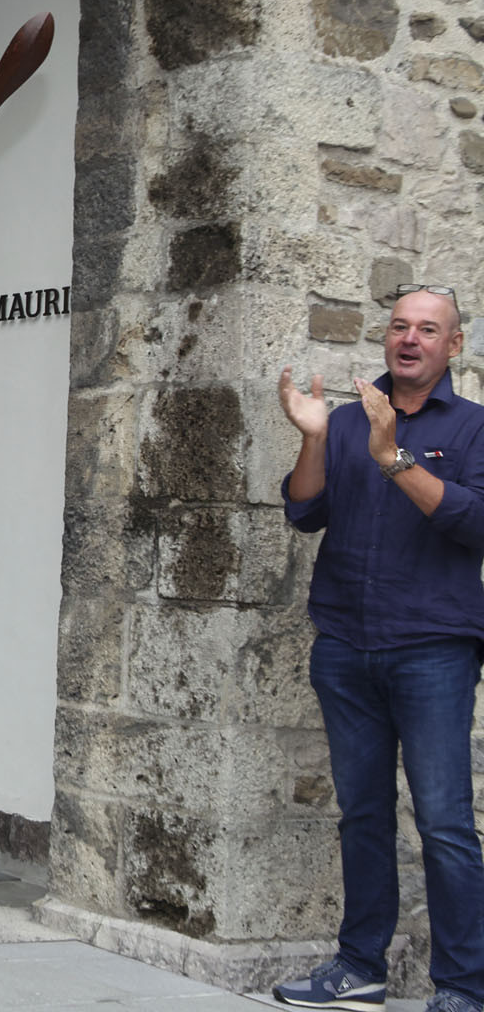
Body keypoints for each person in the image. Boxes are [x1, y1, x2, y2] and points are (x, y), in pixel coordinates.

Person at [271, 284, 484, 1012]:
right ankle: (359, 967)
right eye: (400, 326)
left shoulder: (474, 430)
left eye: (429, 329)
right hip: (346, 648)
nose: (410, 339)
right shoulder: (347, 419)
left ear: (453, 346)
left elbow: (473, 523)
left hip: (434, 651)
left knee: (445, 824)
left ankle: (461, 986)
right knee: (362, 813)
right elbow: (305, 511)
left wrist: (392, 455)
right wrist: (313, 437)